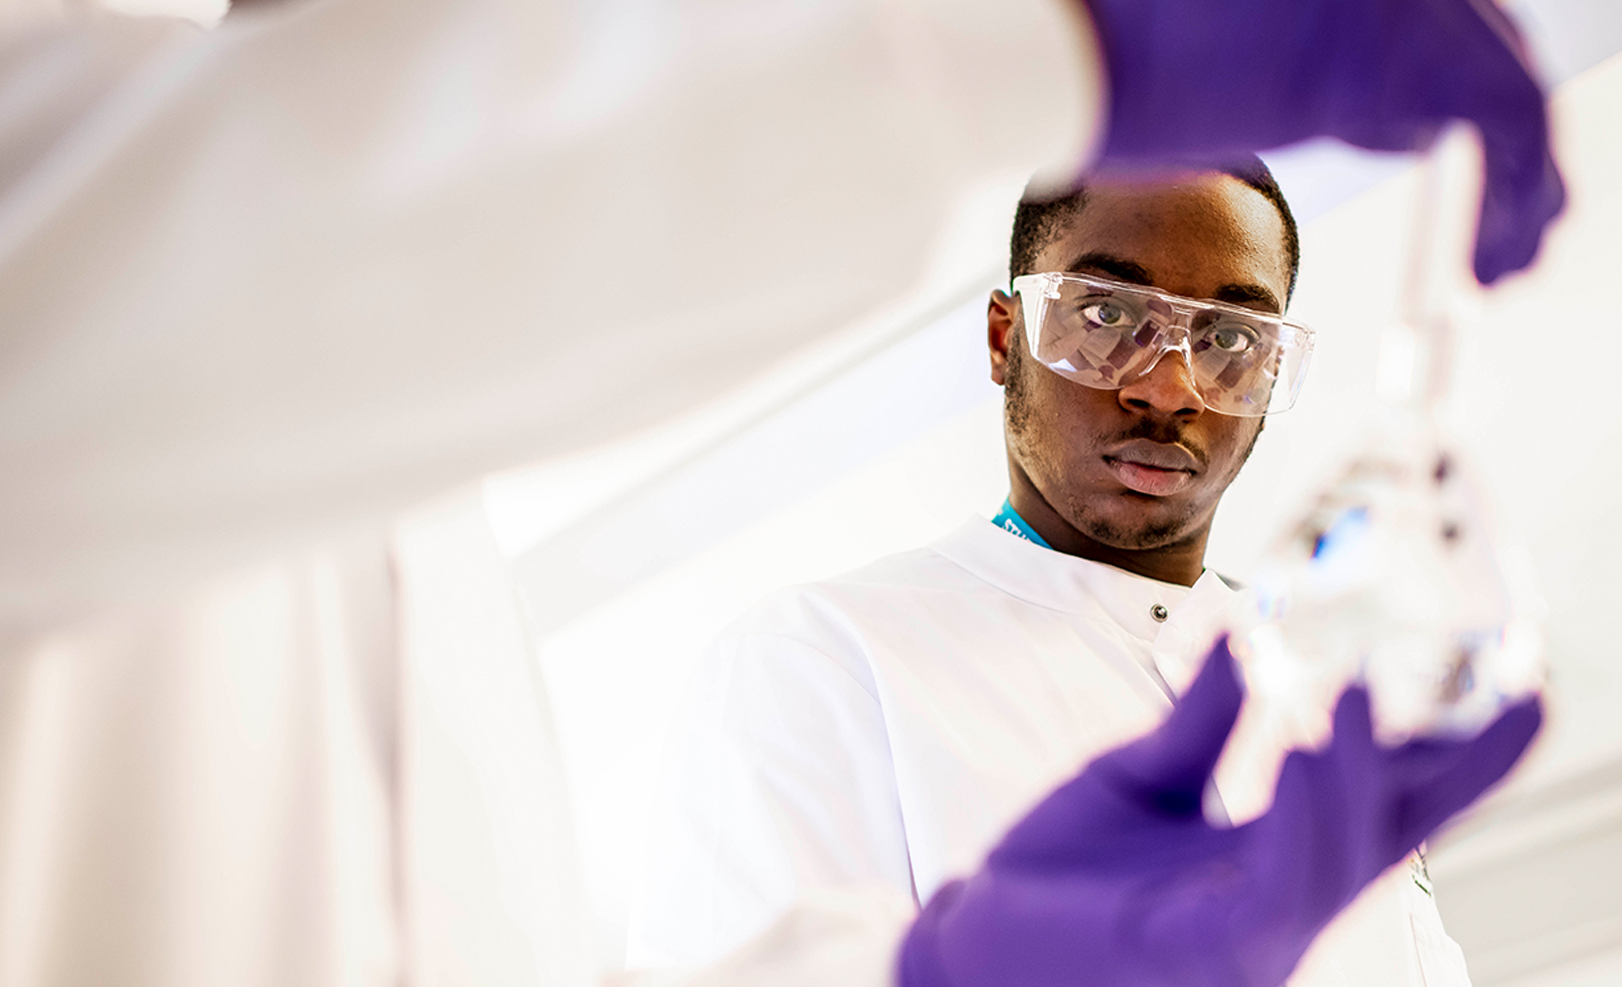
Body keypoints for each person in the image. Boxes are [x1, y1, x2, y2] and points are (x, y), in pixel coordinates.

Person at [0, 0, 1561, 984]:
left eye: (1227, 342)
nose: (1167, 386)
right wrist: (1034, 47)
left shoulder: (435, 572)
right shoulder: (40, 172)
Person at [630, 164, 1484, 985]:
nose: (1169, 385)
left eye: (1229, 336)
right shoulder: (824, 658)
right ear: (1007, 338)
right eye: (1109, 316)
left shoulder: (1324, 692)